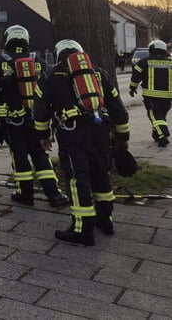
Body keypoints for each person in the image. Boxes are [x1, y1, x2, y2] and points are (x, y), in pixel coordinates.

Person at [35, 39, 131, 245]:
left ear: (58, 54)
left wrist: (42, 135)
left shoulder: (51, 75)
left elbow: (41, 109)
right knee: (100, 174)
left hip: (72, 134)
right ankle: (106, 220)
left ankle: (82, 229)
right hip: (100, 132)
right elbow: (119, 112)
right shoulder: (99, 73)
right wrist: (123, 140)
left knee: (77, 178)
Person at [0, 25, 68, 208]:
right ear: (26, 40)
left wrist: (4, 98)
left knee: (19, 154)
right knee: (40, 154)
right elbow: (49, 90)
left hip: (11, 118)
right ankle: (54, 194)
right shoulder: (39, 62)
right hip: (36, 118)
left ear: (8, 40)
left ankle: (25, 194)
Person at [129, 39, 172, 147]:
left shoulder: (144, 62)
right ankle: (156, 135)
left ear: (152, 49)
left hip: (151, 95)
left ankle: (163, 135)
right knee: (160, 116)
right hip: (168, 96)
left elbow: (136, 77)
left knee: (154, 114)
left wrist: (132, 88)